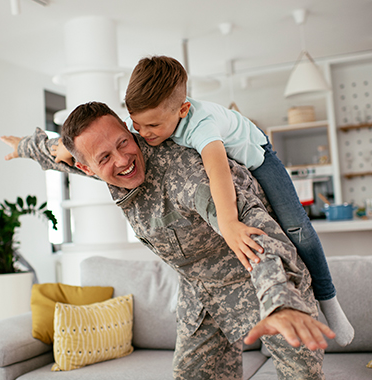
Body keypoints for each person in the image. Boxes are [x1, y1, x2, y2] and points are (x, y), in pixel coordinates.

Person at [1, 102, 335, 380]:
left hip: (262, 284)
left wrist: (280, 302)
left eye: (123, 142)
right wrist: (23, 147)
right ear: (87, 168)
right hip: (201, 296)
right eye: (103, 158)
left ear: (129, 130)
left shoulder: (187, 173)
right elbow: (58, 151)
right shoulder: (94, 159)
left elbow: (257, 230)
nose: (121, 159)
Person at [123, 55, 353, 347]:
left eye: (152, 125)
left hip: (258, 158)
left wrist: (229, 223)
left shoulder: (201, 125)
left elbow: (218, 173)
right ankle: (188, 294)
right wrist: (66, 147)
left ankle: (329, 301)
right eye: (136, 124)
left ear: (183, 110)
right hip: (222, 161)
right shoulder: (152, 121)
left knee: (297, 228)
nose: (143, 133)